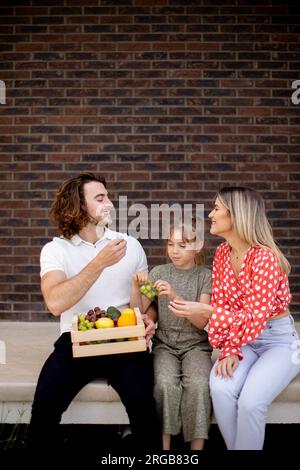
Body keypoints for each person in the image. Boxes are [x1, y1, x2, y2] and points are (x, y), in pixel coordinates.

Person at [27, 172, 161, 452]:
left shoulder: (130, 244)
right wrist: (98, 263)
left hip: (126, 340)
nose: (110, 203)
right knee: (44, 408)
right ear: (77, 205)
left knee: (145, 410)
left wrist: (150, 318)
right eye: (100, 198)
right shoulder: (56, 249)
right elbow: (54, 303)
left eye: (108, 196)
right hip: (77, 341)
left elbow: (146, 297)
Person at [171, 186, 300, 450]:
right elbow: (224, 304)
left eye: (217, 208)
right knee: (220, 388)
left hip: (278, 341)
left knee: (251, 402)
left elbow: (255, 316)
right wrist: (230, 349)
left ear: (236, 215)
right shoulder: (222, 254)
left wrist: (206, 312)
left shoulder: (264, 258)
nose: (210, 214)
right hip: (243, 340)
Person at [131, 219, 213, 451]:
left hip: (196, 346)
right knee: (165, 384)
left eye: (182, 245)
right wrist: (135, 287)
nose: (174, 251)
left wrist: (175, 296)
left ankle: (196, 449)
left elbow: (203, 322)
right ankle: (163, 448)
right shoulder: (159, 272)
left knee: (198, 383)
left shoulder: (205, 277)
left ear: (196, 247)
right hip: (164, 345)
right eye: (170, 244)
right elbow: (139, 311)